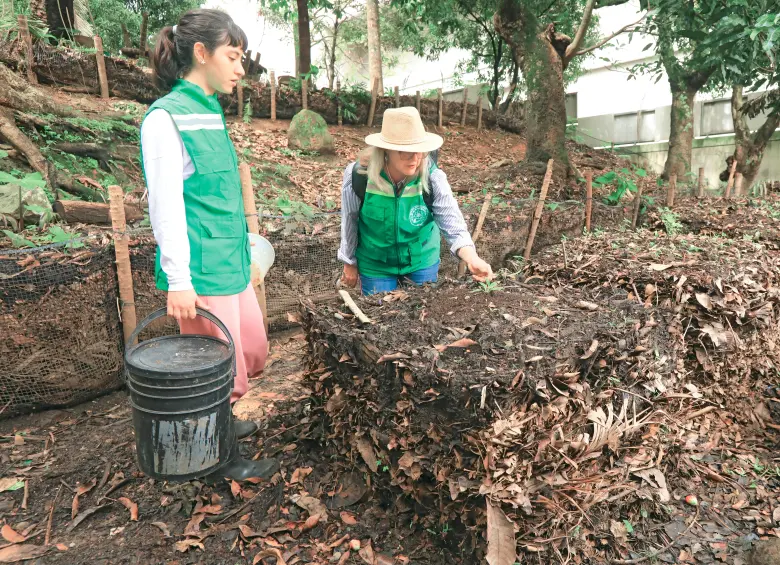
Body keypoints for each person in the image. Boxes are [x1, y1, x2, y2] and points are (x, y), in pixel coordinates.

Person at [142, 9, 276, 480]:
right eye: (233, 57)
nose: (241, 68)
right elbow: (167, 205)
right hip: (200, 270)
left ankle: (223, 425)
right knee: (218, 368)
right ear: (201, 53)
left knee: (252, 350)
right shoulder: (164, 119)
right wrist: (178, 280)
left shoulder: (208, 109)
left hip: (230, 259)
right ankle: (217, 459)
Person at [338, 107, 493, 295]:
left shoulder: (432, 177)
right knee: (380, 317)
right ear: (386, 150)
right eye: (407, 152)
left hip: (422, 262)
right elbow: (349, 222)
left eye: (421, 151)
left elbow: (452, 223)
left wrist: (472, 258)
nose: (416, 158)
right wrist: (349, 262)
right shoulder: (359, 176)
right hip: (375, 264)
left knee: (420, 316)